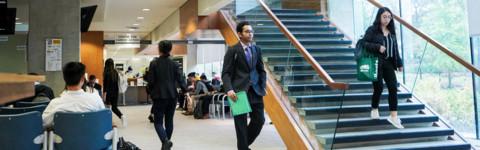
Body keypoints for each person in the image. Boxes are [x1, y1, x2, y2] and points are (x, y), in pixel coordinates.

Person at [222, 21, 267, 150]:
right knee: (241, 124)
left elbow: (261, 70)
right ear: (239, 34)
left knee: (259, 121)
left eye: (251, 31)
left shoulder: (257, 49)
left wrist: (262, 86)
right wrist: (229, 90)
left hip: (255, 91)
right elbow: (226, 73)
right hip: (238, 93)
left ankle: (243, 146)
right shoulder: (232, 50)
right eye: (247, 31)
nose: (250, 33)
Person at [363, 7, 404, 129]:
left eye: (389, 17)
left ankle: (393, 116)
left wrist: (399, 63)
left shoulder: (391, 31)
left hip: (389, 63)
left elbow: (395, 49)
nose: (387, 19)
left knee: (393, 87)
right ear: (379, 17)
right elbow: (364, 43)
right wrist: (378, 47)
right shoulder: (373, 30)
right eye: (384, 17)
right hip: (376, 63)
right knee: (379, 88)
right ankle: (374, 109)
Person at [148, 40, 189, 150]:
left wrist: (151, 91)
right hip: (172, 95)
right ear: (170, 50)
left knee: (158, 122)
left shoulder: (154, 63)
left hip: (159, 95)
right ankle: (166, 146)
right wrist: (186, 93)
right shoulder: (174, 63)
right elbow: (181, 80)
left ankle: (165, 141)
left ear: (159, 50)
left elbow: (151, 82)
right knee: (169, 121)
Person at [42, 62, 105, 128]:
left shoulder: (55, 103)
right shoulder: (96, 99)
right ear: (83, 79)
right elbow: (104, 120)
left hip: (64, 138)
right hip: (93, 138)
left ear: (64, 79)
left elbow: (43, 123)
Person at [103, 58, 127, 127]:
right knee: (114, 107)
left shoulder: (107, 72)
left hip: (109, 93)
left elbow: (106, 83)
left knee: (107, 107)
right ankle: (121, 116)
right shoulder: (115, 72)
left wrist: (104, 93)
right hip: (115, 92)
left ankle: (107, 121)